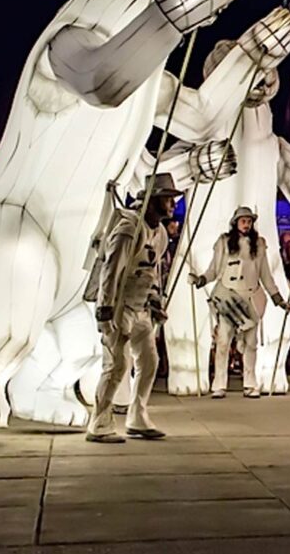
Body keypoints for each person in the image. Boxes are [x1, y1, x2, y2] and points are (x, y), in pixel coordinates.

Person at [86, 174, 181, 443]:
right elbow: (111, 270)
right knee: (117, 365)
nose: (172, 203)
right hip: (119, 306)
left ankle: (137, 416)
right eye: (167, 198)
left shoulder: (159, 232)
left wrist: (156, 303)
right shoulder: (129, 227)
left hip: (141, 309)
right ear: (152, 201)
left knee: (150, 362)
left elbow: (153, 272)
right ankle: (100, 422)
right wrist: (105, 310)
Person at [192, 206, 290, 398]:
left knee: (251, 343)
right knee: (223, 342)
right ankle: (219, 384)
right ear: (235, 222)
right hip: (228, 295)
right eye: (243, 221)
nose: (247, 224)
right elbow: (213, 270)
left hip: (251, 297)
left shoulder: (259, 244)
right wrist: (202, 279)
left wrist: (278, 298)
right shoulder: (224, 242)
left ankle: (250, 383)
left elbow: (266, 275)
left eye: (249, 221)